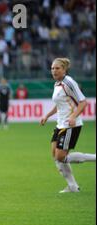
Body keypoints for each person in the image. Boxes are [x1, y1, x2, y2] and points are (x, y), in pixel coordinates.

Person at [40, 58, 96, 193]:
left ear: (64, 70)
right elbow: (59, 104)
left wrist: (73, 116)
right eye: (52, 68)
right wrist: (47, 115)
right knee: (55, 154)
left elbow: (83, 102)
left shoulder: (69, 82)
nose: (54, 71)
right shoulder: (57, 84)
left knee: (60, 157)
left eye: (57, 68)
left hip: (71, 124)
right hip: (61, 124)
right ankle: (72, 186)